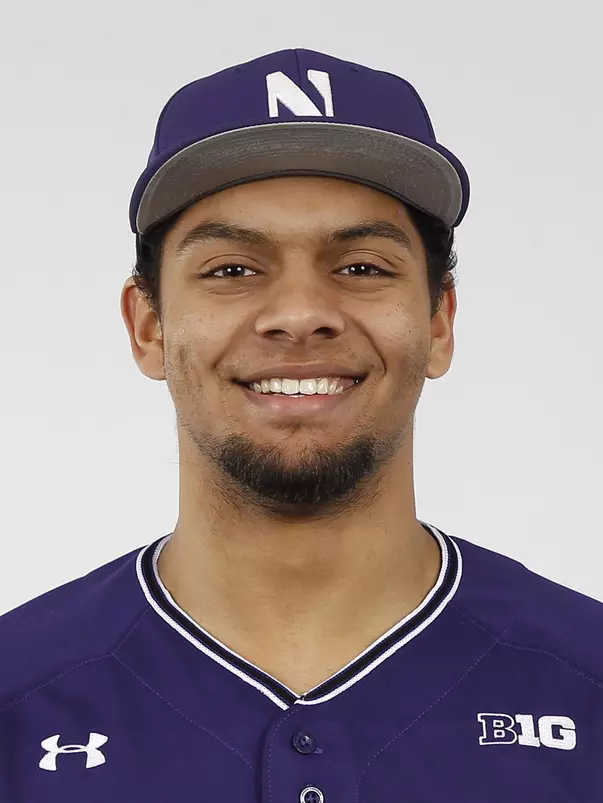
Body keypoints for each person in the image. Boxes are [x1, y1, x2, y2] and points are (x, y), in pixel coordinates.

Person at [1, 48, 602, 802]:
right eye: (231, 269)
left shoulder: (586, 676)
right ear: (148, 326)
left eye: (360, 267)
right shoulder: (18, 696)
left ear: (439, 322)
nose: (299, 314)